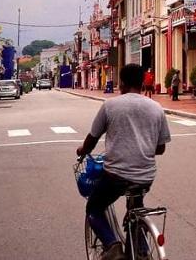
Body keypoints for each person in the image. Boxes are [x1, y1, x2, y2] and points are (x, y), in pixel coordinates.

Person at [77, 63, 170, 260]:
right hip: (145, 176)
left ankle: (112, 246)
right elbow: (160, 148)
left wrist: (83, 151)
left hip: (116, 176)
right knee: (135, 208)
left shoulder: (110, 105)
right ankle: (142, 251)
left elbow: (92, 138)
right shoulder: (156, 108)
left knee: (94, 207)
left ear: (122, 83)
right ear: (143, 83)